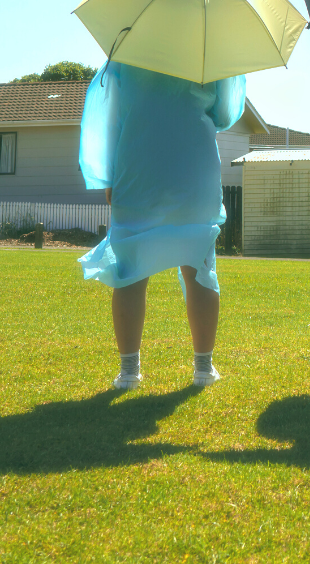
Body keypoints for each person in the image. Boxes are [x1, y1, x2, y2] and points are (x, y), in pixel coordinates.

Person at [77, 60, 246, 390]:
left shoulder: (128, 47)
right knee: (199, 265)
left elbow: (106, 118)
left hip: (137, 166)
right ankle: (203, 368)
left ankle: (128, 372)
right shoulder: (210, 44)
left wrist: (106, 176)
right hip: (194, 167)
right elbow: (225, 114)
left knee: (128, 270)